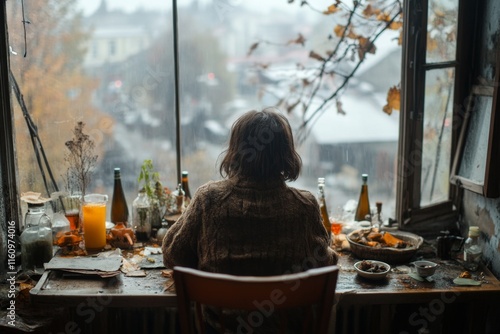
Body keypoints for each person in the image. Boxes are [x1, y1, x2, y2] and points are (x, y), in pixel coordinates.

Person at [162, 108, 337, 332]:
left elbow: (173, 254)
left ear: (236, 152)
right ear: (286, 155)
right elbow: (325, 262)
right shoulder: (304, 206)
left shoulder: (209, 199)